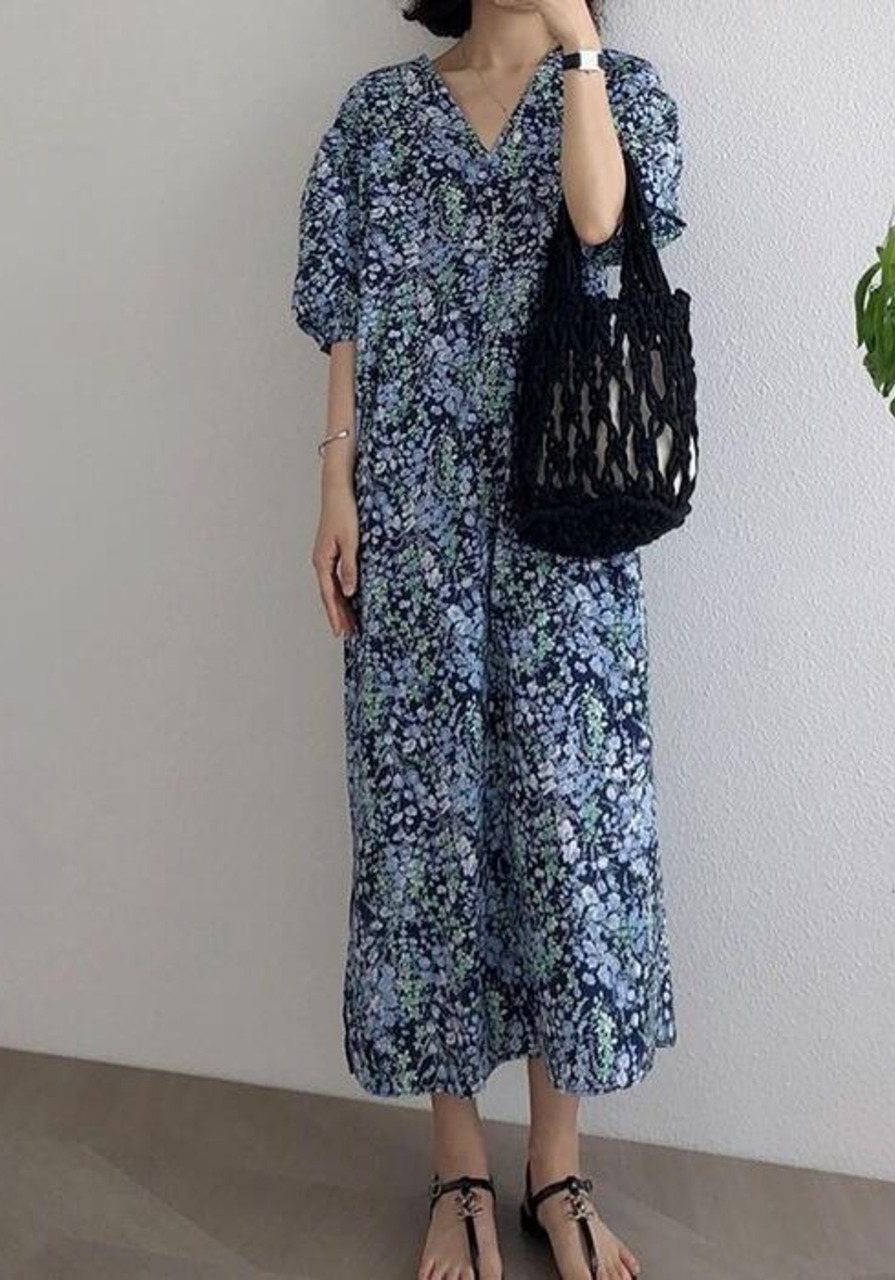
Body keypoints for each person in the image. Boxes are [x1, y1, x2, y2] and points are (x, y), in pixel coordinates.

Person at [290, 1, 687, 1276]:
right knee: (427, 835)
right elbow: (344, 311)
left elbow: (602, 232)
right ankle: (456, 1162)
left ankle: (554, 1169)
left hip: (567, 523)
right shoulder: (374, 117)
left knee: (569, 834)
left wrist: (576, 50)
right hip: (409, 524)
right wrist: (335, 482)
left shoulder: (625, 94)